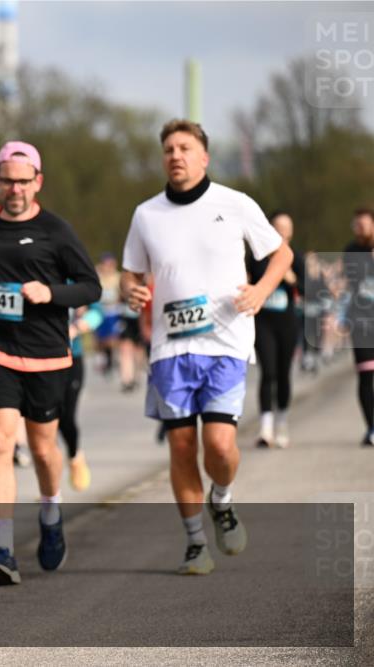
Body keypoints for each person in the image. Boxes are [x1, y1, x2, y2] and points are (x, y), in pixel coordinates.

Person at [121, 119, 292, 575]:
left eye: (185, 148)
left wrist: (260, 289)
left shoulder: (234, 204)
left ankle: (223, 498)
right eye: (169, 149)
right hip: (169, 351)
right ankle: (196, 542)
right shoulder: (146, 214)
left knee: (218, 445)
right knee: (180, 448)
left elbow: (282, 255)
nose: (175, 155)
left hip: (226, 342)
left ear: (204, 157)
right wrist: (132, 290)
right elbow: (131, 272)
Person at [0, 140, 101, 587]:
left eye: (24, 181)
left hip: (47, 356)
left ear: (37, 182)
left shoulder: (55, 231)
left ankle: (50, 510)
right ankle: (3, 549)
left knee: (42, 450)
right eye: (8, 180)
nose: (16, 188)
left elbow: (90, 287)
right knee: (1, 444)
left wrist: (51, 293)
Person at [249, 211, 305, 449]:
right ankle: (265, 427)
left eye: (286, 227)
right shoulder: (256, 256)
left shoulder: (296, 257)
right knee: (268, 372)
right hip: (263, 321)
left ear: (291, 232)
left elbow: (310, 290)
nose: (282, 231)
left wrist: (292, 279)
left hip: (287, 322)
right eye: (278, 226)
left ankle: (281, 422)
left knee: (283, 373)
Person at [341, 206, 374, 447]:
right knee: (365, 375)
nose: (359, 229)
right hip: (361, 321)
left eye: (363, 224)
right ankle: (371, 427)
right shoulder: (351, 250)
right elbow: (352, 280)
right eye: (356, 225)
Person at [62, 303, 103, 491]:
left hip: (71, 357)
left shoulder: (73, 277)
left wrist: (78, 326)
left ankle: (74, 456)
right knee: (44, 422)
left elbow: (98, 312)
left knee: (66, 416)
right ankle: (50, 488)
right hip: (39, 356)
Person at [95, 253, 123, 378]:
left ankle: (111, 359)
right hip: (101, 311)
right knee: (101, 338)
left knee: (113, 338)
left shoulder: (117, 277)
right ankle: (104, 357)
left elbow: (121, 293)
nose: (108, 267)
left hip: (113, 311)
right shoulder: (98, 276)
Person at [300, 252, 328, 374]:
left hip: (318, 308)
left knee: (318, 333)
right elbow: (303, 290)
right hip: (307, 308)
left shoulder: (320, 275)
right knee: (306, 334)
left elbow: (324, 291)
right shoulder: (303, 275)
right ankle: (307, 358)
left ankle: (316, 357)